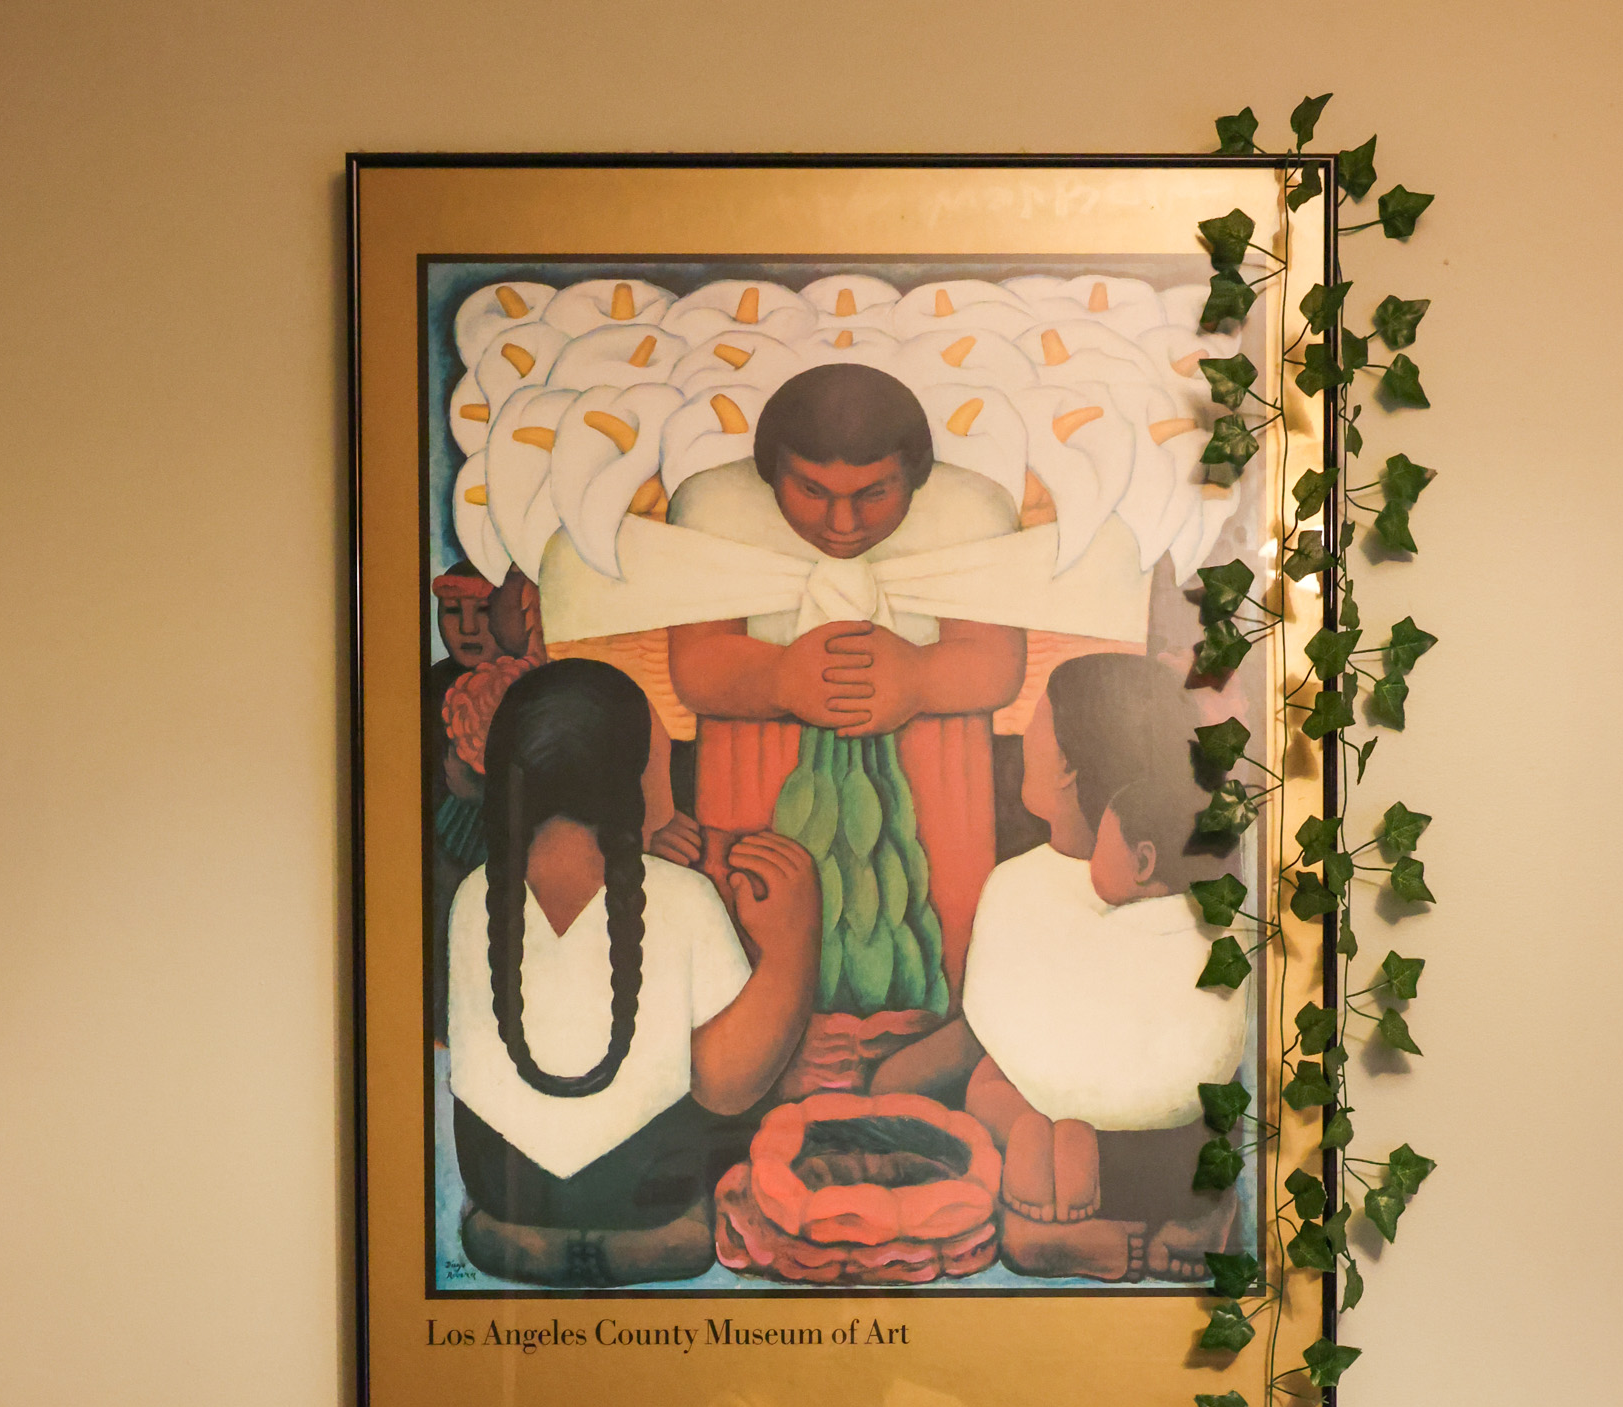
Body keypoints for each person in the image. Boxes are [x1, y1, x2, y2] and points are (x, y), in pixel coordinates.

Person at [879, 653, 1250, 1281]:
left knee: (992, 1105)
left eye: (1038, 721)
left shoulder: (1025, 887)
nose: (1025, 733)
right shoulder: (1187, 896)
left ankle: (1052, 1230)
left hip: (1093, 1150)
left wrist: (891, 1081)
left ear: (1070, 767)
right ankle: (1155, 1223)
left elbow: (987, 1039)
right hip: (1157, 1154)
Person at [447, 658, 819, 1284]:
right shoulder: (679, 896)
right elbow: (726, 1085)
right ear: (635, 784)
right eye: (662, 753)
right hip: (649, 1206)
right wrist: (791, 949)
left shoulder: (471, 898)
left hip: (506, 1196)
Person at [663, 365, 1026, 994]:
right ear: (770, 470)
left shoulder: (974, 510)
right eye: (811, 490)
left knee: (948, 951)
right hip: (755, 780)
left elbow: (997, 666)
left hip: (938, 780)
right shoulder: (711, 508)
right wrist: (777, 676)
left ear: (914, 473)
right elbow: (695, 668)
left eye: (873, 493)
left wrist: (920, 677)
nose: (843, 523)